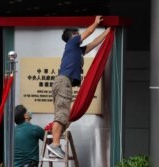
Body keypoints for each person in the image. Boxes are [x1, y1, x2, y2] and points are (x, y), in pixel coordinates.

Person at [47, 16, 111, 159]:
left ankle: (54, 147)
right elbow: (88, 32)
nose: (80, 34)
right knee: (62, 115)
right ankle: (55, 145)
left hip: (64, 82)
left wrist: (108, 32)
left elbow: (94, 43)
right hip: (64, 82)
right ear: (74, 36)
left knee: (63, 115)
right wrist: (96, 23)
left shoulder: (76, 49)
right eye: (78, 33)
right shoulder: (72, 42)